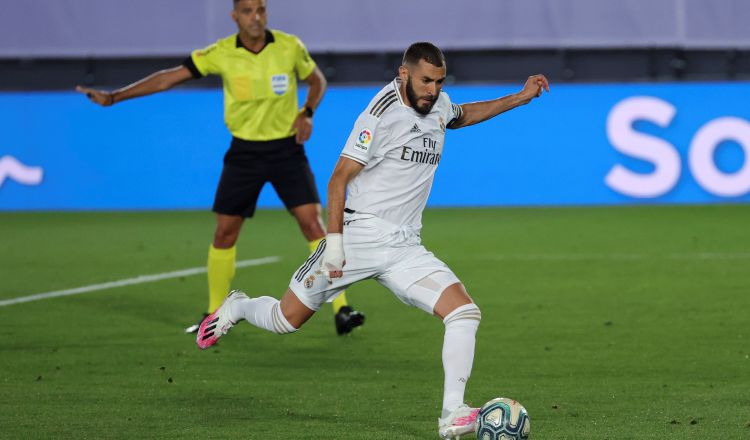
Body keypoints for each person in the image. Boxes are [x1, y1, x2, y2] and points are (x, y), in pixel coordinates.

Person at [195, 42, 549, 438]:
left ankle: (452, 415)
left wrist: (520, 97)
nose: (432, 90)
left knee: (464, 312)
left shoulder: (438, 105)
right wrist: (335, 242)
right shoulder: (378, 115)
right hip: (358, 236)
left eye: (439, 81)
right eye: (425, 81)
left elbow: (462, 115)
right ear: (403, 74)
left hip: (404, 246)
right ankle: (239, 307)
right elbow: (338, 179)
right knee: (284, 320)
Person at [75, 0, 364, 335]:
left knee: (313, 225)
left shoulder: (289, 46)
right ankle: (214, 312)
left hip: (286, 151)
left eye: (260, 10)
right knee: (225, 232)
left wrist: (308, 111)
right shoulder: (221, 52)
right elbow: (169, 78)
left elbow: (317, 81)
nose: (255, 17)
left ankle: (342, 309)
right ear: (234, 16)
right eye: (247, 11)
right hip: (244, 153)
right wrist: (115, 97)